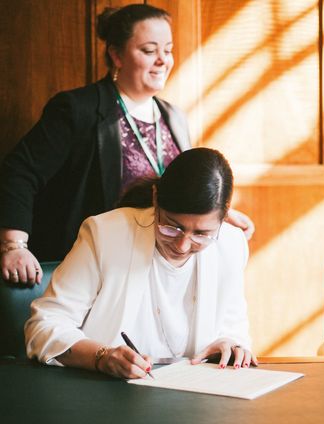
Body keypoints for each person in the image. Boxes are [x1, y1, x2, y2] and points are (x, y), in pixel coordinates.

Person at [0, 3, 253, 287]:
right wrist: (14, 245)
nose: (162, 60)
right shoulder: (76, 109)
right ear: (116, 55)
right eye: (149, 50)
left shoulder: (175, 118)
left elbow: (177, 190)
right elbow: (20, 170)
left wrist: (217, 213)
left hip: (150, 267)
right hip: (91, 265)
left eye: (167, 50)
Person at [24, 147, 257, 378]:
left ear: (224, 216)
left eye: (201, 234)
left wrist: (230, 344)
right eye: (171, 226)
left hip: (196, 400)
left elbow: (234, 327)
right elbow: (43, 327)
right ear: (155, 198)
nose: (182, 245)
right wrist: (101, 358)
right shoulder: (105, 233)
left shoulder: (230, 244)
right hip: (105, 395)